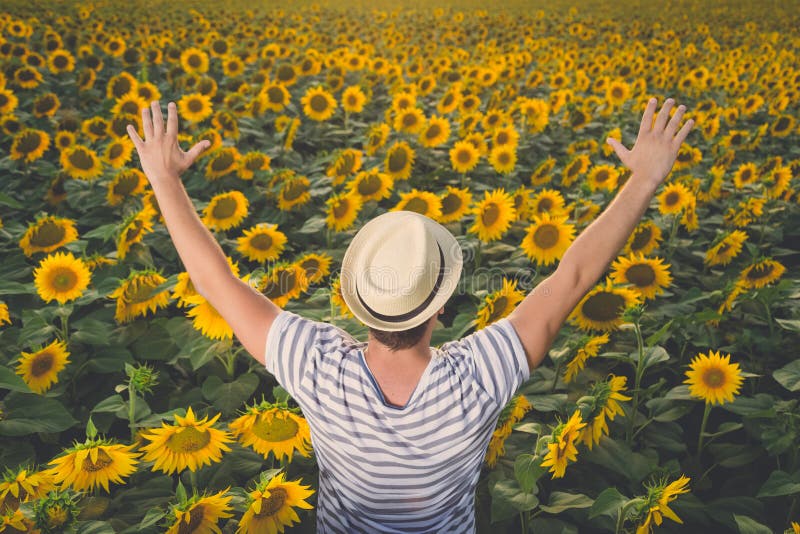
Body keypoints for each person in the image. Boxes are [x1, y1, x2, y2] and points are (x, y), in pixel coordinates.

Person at [127, 97, 693, 533]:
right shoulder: (479, 375)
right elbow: (570, 277)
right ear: (441, 306)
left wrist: (164, 178)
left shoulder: (317, 367)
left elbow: (215, 283)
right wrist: (643, 178)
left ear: (358, 304)